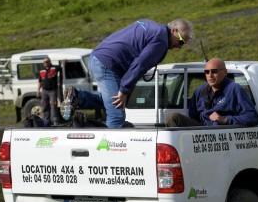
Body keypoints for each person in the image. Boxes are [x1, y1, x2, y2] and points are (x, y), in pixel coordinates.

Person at [60, 18, 194, 127]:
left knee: (115, 100)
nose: (179, 47)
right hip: (108, 64)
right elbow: (140, 63)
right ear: (174, 31)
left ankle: (78, 97)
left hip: (98, 57)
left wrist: (125, 91)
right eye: (181, 41)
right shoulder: (161, 40)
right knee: (117, 115)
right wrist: (124, 89)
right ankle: (111, 156)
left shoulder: (150, 24)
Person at [165, 58, 258, 127]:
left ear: (225, 72)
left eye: (214, 71)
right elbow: (193, 116)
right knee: (173, 117)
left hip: (223, 133)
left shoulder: (234, 89)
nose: (210, 75)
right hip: (201, 133)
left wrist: (224, 119)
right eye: (207, 72)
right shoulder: (200, 90)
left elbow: (253, 117)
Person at [37, 57, 62, 125]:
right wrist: (38, 90)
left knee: (53, 105)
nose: (46, 63)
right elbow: (40, 81)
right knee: (45, 105)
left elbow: (61, 67)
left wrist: (64, 63)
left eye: (47, 61)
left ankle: (55, 120)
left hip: (52, 91)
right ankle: (46, 120)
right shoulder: (41, 70)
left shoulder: (54, 68)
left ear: (50, 61)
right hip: (44, 91)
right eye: (44, 62)